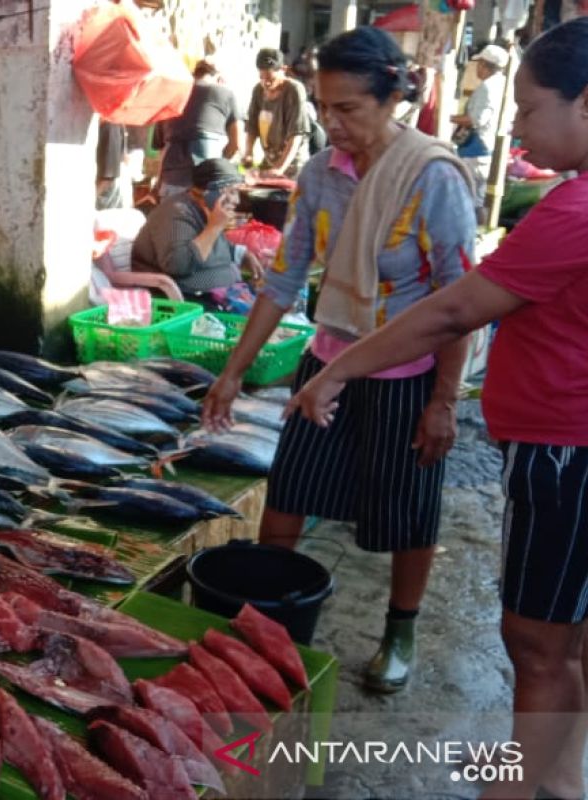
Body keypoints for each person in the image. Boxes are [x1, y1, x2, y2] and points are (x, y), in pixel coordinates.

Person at [286, 18, 588, 798]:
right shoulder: (323, 170)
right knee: (563, 643)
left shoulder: (567, 210)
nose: (514, 123)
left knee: (536, 641)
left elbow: (455, 308)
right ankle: (554, 780)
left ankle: (513, 786)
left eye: (527, 108)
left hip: (563, 448)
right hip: (557, 439)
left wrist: (357, 376)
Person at [202, 26, 478, 693]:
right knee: (290, 491)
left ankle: (400, 628)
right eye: (324, 107)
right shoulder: (320, 174)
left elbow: (458, 300)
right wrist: (233, 370)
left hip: (406, 378)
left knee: (408, 509)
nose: (331, 122)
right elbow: (286, 278)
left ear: (392, 97)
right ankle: (265, 618)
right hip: (326, 363)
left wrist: (444, 401)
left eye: (347, 108)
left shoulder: (434, 177)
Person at [131, 158, 264, 311]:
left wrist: (241, 254)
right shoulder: (176, 212)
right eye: (232, 192)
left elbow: (214, 247)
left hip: (221, 296)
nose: (236, 200)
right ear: (209, 193)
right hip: (185, 301)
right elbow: (178, 265)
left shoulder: (206, 211)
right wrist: (213, 228)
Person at [156, 59, 241, 198]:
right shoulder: (225, 94)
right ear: (218, 77)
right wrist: (219, 166)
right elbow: (237, 144)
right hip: (206, 184)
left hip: (171, 182)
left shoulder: (171, 95)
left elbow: (162, 149)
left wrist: (158, 184)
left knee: (173, 218)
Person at [451, 44, 510, 222]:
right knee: (477, 196)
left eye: (479, 64)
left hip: (476, 147)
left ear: (485, 65)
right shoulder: (503, 84)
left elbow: (477, 120)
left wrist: (450, 117)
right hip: (487, 147)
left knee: (471, 196)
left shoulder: (487, 87)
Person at [242, 48, 311, 178]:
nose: (266, 83)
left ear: (284, 70)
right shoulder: (258, 90)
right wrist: (248, 153)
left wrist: (279, 168)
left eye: (270, 78)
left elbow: (296, 134)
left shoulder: (294, 90)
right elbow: (251, 126)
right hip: (269, 160)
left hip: (292, 163)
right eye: (262, 77)